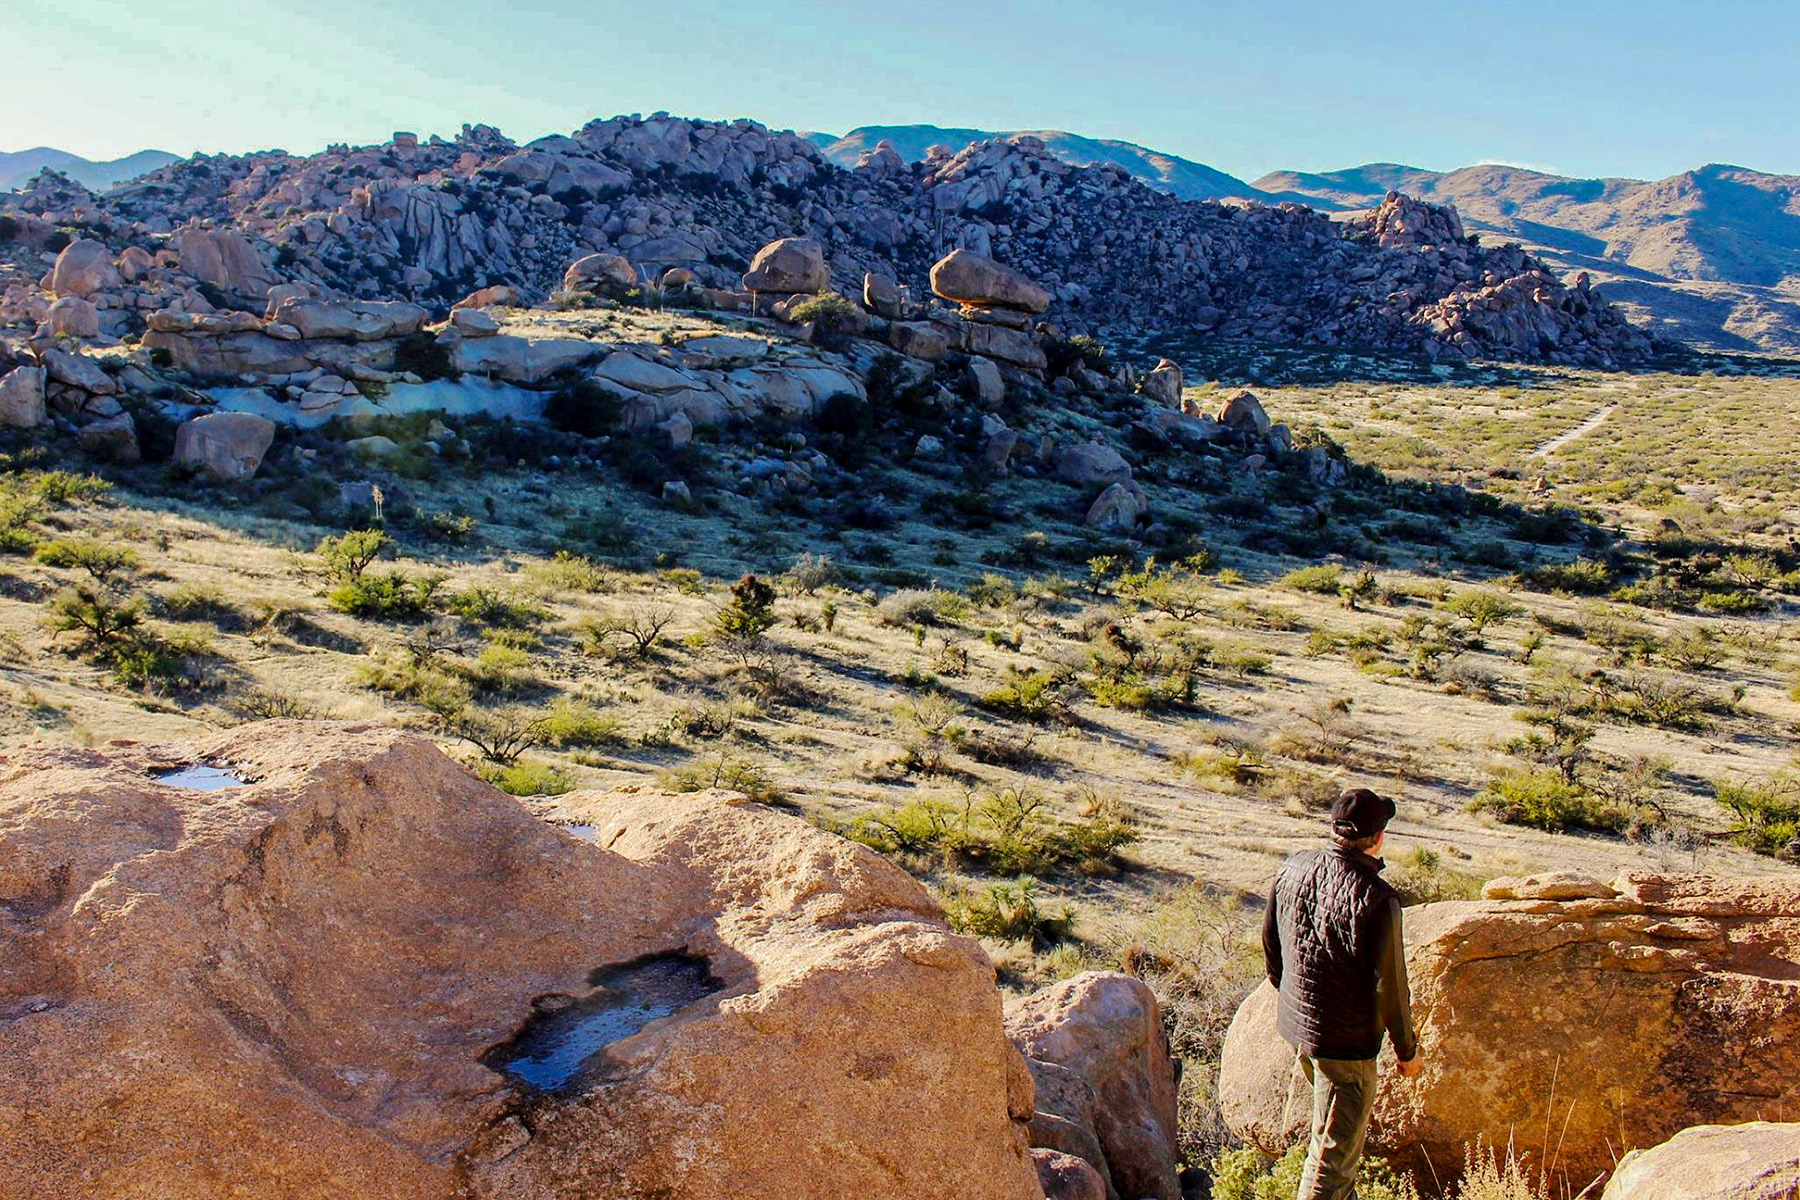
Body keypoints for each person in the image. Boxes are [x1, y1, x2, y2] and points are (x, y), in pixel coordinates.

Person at [1261, 787, 1419, 1200]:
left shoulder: (1292, 868)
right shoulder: (1377, 898)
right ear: (1378, 837)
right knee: (1332, 1160)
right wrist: (1407, 1051)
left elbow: (1272, 946)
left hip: (1302, 1030)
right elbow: (1391, 987)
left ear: (1333, 828)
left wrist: (1294, 1002)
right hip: (1345, 1048)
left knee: (1332, 1137)